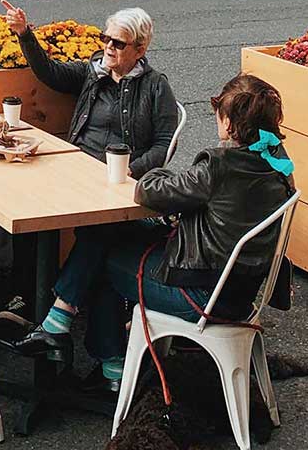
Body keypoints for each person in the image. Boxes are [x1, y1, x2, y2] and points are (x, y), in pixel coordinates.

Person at [81, 72, 295, 391]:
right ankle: (98, 336)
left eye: (219, 115)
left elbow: (149, 193)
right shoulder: (277, 162)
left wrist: (156, 169)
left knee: (106, 256)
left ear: (229, 124)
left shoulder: (219, 166)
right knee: (128, 235)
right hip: (241, 291)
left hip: (202, 295)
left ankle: (111, 366)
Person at [0, 1, 179, 366]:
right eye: (106, 39)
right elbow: (49, 73)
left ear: (140, 49)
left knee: (102, 234)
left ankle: (56, 319)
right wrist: (24, 34)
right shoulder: (93, 72)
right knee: (23, 207)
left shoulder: (156, 86)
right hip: (76, 172)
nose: (108, 48)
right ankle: (100, 354)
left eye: (118, 43)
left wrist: (127, 170)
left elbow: (164, 145)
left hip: (118, 184)